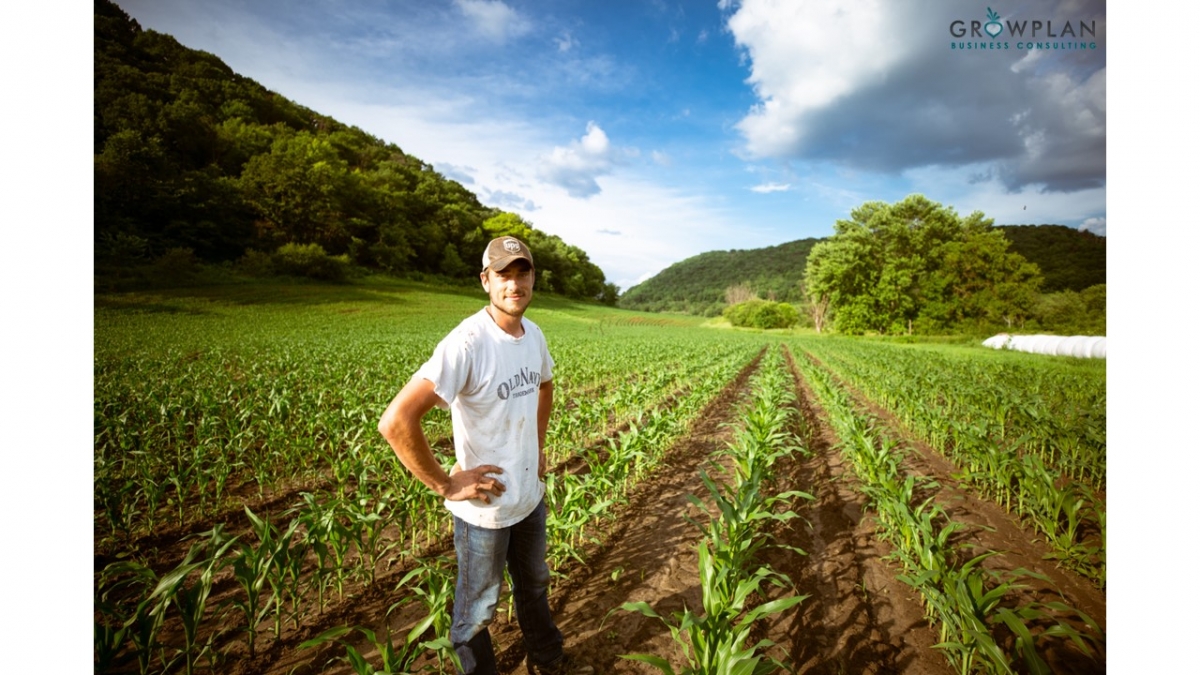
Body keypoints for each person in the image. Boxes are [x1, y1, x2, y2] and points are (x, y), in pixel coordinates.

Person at [377, 236, 592, 675]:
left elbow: (545, 385)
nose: (514, 284)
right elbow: (396, 421)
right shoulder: (468, 343)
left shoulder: (534, 335)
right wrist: (445, 483)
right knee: (477, 610)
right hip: (485, 511)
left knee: (534, 586)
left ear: (533, 278)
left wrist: (537, 443)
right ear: (485, 281)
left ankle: (548, 664)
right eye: (503, 274)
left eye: (522, 273)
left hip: (528, 497)